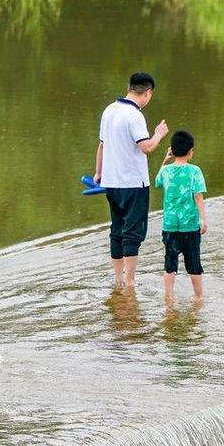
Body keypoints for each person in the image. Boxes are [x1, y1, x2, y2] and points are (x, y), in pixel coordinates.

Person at [94, 72, 168, 291]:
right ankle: (130, 281)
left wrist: (98, 173)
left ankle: (118, 279)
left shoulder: (109, 110)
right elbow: (146, 147)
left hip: (111, 182)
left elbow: (102, 145)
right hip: (133, 184)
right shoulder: (135, 115)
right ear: (148, 93)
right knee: (133, 232)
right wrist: (159, 134)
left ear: (129, 87)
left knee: (117, 229)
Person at [155, 129, 207, 304]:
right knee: (194, 264)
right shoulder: (194, 171)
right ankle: (199, 298)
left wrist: (165, 159)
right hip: (190, 225)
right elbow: (198, 196)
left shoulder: (166, 171)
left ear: (172, 150)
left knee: (170, 263)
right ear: (190, 151)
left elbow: (157, 182)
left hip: (170, 225)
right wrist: (203, 219)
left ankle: (168, 298)